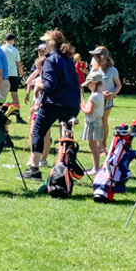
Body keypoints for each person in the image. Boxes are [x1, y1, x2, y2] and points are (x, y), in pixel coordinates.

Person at [23, 29, 80, 180]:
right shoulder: (69, 59)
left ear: (50, 44)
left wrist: (39, 86)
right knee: (66, 136)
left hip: (54, 103)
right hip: (72, 104)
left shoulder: (50, 60)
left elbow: (50, 85)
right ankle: (64, 168)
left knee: (38, 132)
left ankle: (34, 169)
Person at [89, 46, 122, 146]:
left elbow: (118, 85)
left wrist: (113, 94)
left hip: (107, 100)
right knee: (95, 122)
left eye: (96, 55)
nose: (94, 57)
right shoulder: (94, 70)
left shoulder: (112, 70)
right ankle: (95, 145)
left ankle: (103, 146)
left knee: (103, 122)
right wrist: (99, 93)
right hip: (95, 100)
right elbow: (90, 85)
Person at [80, 70, 106, 174]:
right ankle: (95, 167)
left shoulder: (94, 96)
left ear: (94, 83)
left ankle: (95, 168)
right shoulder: (100, 94)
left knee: (93, 145)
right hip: (98, 121)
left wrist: (81, 106)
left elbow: (89, 111)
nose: (88, 86)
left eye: (89, 84)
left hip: (93, 123)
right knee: (94, 144)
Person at [1, 34, 27, 124]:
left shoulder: (1, 49)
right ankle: (18, 116)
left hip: (3, 74)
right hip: (13, 74)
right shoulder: (15, 50)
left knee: (2, 95)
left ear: (5, 40)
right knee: (14, 95)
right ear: (13, 40)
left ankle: (0, 114)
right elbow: (18, 64)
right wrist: (22, 74)